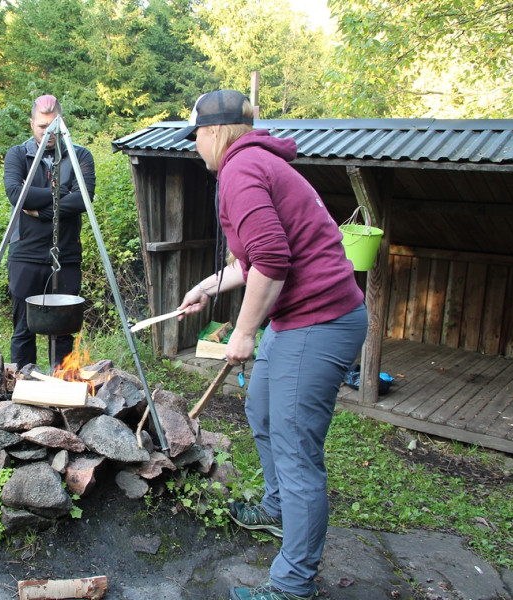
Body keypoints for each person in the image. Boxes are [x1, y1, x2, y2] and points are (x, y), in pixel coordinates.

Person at [174, 90, 368, 600]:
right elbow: (254, 258)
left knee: (295, 447)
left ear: (213, 132)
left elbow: (274, 261)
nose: (195, 147)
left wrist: (241, 333)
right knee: (261, 409)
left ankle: (292, 584)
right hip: (299, 317)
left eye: (195, 137)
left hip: (320, 319)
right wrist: (206, 288)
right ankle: (277, 510)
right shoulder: (252, 164)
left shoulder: (241, 171)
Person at [3, 94, 96, 371]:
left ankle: (62, 391)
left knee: (64, 330)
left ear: (62, 123)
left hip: (65, 254)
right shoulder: (18, 154)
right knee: (23, 329)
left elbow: (83, 199)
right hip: (26, 254)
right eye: (42, 126)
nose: (47, 132)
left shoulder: (80, 155)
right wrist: (60, 195)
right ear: (32, 124)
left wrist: (41, 210)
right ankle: (22, 389)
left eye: (53, 125)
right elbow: (17, 195)